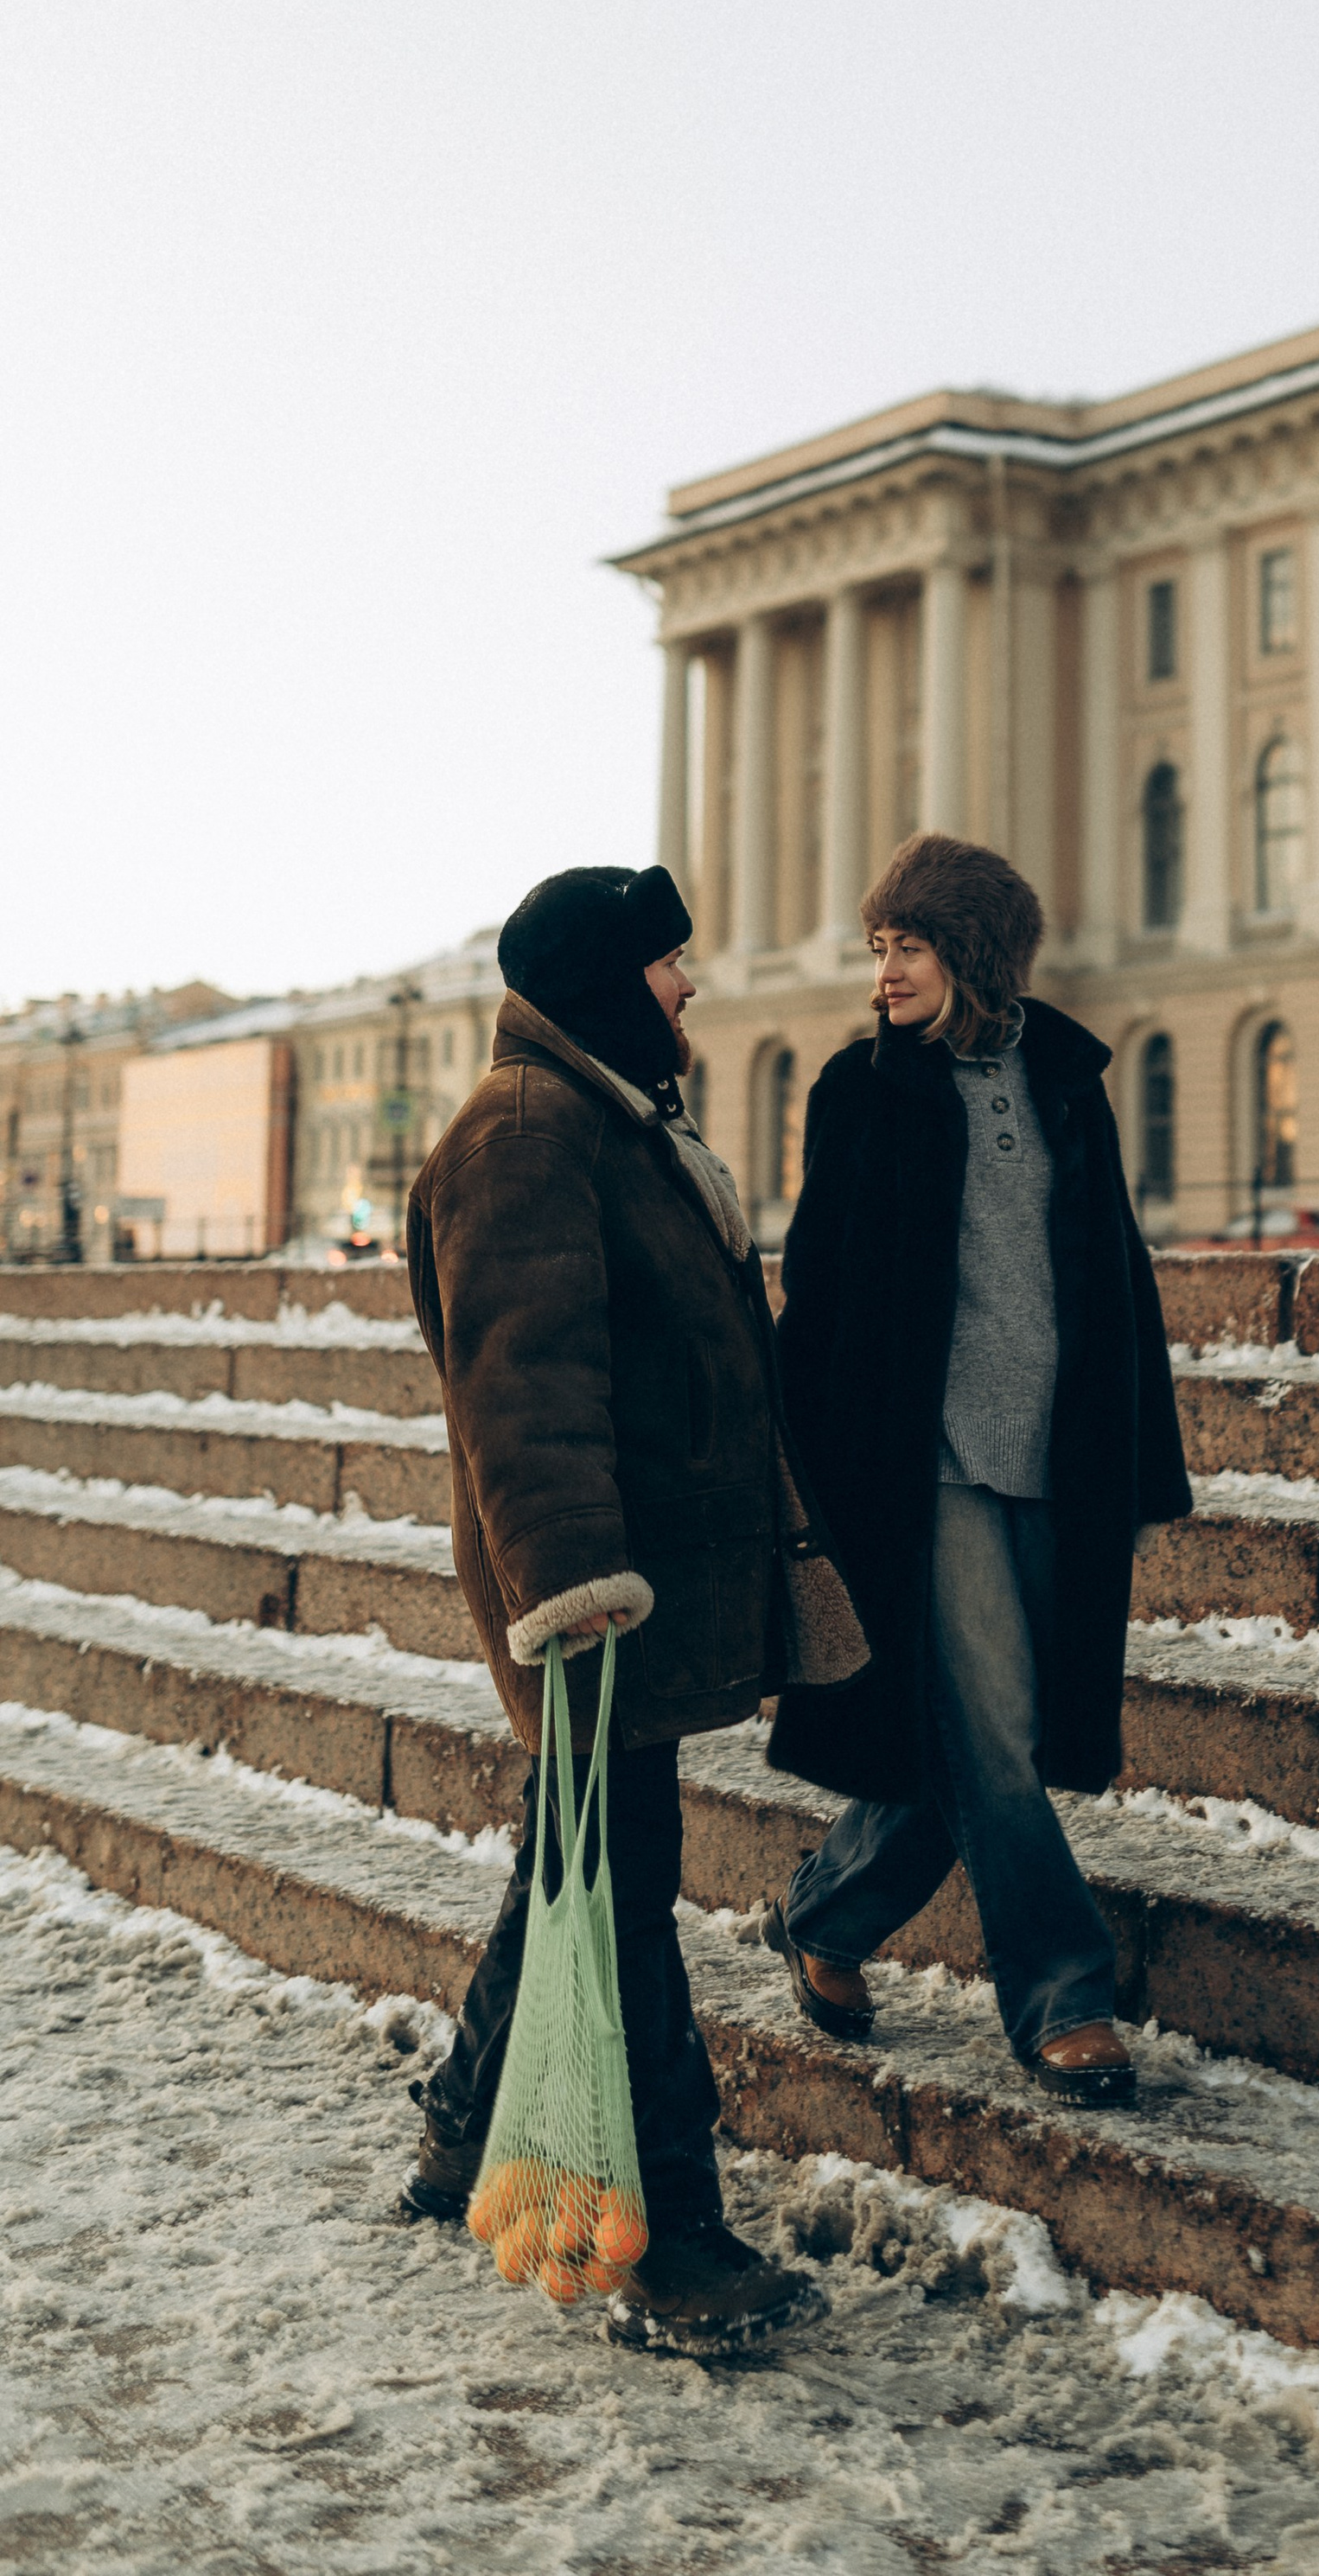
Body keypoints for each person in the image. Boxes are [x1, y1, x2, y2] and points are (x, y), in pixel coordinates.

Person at [398, 860, 870, 2359]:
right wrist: (575, 1593)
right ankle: (671, 2243)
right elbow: (521, 1400)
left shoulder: (600, 1117)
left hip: (646, 1581)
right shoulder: (530, 1136)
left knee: (573, 1865)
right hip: (605, 1600)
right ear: (610, 978)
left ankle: (463, 2138)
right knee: (618, 1906)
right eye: (671, 962)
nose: (691, 986)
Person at [764, 832, 1190, 2105]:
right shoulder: (860, 1090)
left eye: (910, 944)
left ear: (974, 951)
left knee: (974, 1731)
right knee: (997, 1729)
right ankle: (1065, 1995)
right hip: (925, 1462)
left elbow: (1119, 1282)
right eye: (879, 946)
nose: (885, 969)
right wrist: (798, 1474)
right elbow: (823, 1294)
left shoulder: (1068, 1079)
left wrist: (1144, 1463)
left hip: (1058, 1452)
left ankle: (829, 1914)